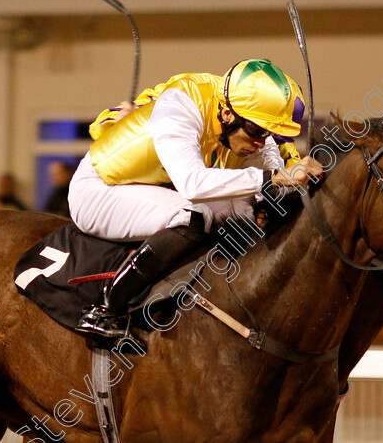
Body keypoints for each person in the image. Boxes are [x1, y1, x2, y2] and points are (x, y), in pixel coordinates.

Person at [68, 59, 323, 338]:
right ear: (227, 115)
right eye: (258, 131)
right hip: (100, 189)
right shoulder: (181, 106)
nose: (262, 141)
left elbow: (276, 181)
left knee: (247, 212)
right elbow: (193, 185)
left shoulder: (246, 119)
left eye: (270, 133)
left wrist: (298, 181)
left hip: (154, 189)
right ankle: (107, 309)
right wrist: (273, 178)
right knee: (197, 215)